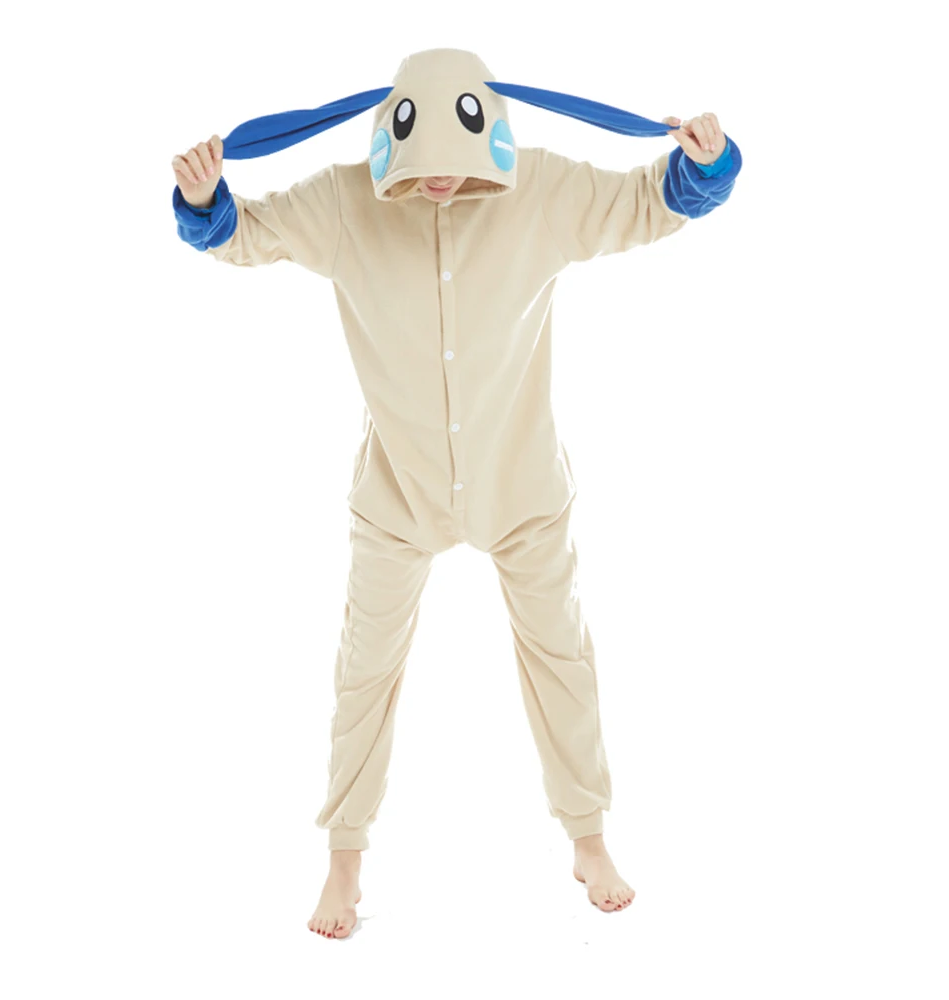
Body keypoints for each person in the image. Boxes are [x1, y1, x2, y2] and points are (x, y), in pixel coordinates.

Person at [170, 47, 742, 940]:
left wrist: (701, 165)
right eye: (421, 164)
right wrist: (206, 199)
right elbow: (244, 233)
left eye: (458, 162)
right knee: (366, 669)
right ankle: (344, 860)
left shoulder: (540, 192)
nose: (439, 181)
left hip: (522, 485)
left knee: (561, 655)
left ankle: (589, 838)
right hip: (396, 494)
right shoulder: (345, 202)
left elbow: (645, 203)